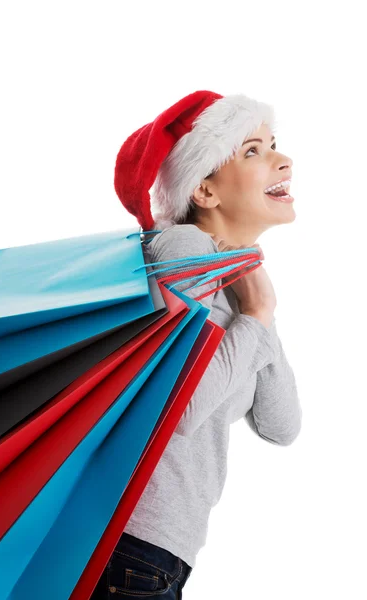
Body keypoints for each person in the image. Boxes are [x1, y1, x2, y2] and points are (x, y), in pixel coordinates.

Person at [91, 90, 302, 598]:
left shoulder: (233, 277)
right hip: (128, 545)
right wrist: (255, 317)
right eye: (253, 151)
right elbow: (180, 405)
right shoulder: (185, 248)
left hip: (156, 555)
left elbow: (282, 426)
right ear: (204, 190)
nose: (283, 160)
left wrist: (257, 309)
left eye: (275, 145)